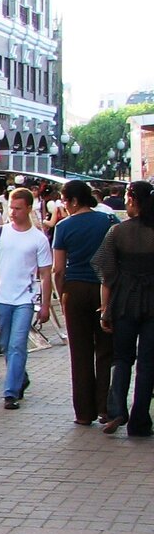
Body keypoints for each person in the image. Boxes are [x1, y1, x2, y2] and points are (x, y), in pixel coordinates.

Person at [0, 188, 53, 410]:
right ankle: (20, 377)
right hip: (2, 297)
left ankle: (10, 392)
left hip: (25, 299)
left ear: (29, 208)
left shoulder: (38, 239)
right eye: (11, 207)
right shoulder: (0, 233)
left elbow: (46, 273)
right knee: (5, 343)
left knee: (18, 344)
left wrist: (45, 305)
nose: (13, 212)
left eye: (18, 208)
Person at [52, 180, 118, 426]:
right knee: (105, 350)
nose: (64, 205)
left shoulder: (63, 227)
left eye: (64, 200)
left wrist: (61, 294)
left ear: (74, 201)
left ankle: (83, 412)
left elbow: (58, 269)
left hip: (75, 289)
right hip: (105, 289)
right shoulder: (109, 222)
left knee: (80, 353)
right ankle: (104, 407)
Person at [94, 181, 154, 436]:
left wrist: (105, 308)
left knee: (121, 359)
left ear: (132, 200)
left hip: (124, 301)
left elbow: (106, 274)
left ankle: (116, 410)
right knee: (148, 363)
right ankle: (140, 420)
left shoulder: (117, 232)